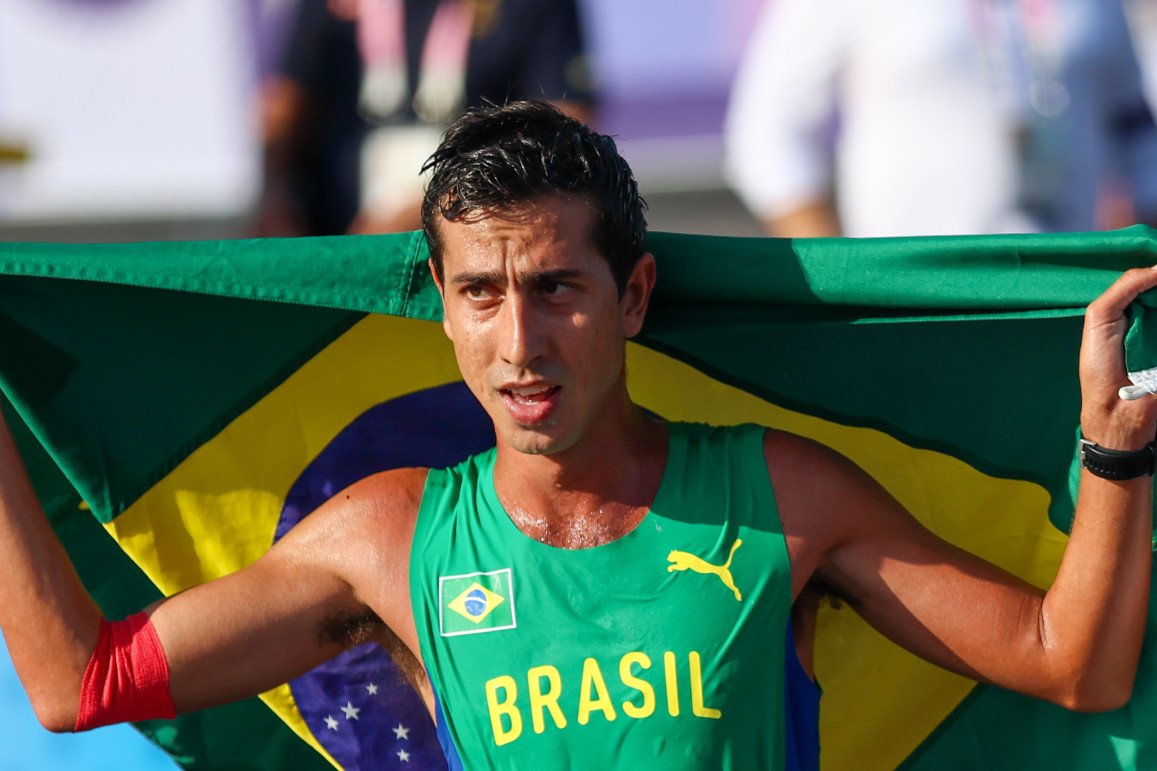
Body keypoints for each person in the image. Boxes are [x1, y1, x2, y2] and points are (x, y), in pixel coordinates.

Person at [0, 101, 1154, 769]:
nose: (518, 344)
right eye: (481, 296)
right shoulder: (383, 540)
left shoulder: (777, 495)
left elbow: (1070, 663)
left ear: (634, 297)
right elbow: (81, 683)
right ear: (442, 307)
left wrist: (1111, 453)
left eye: (557, 289)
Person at [724, 0, 1157, 238]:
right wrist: (836, 284)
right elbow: (768, 130)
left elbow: (1135, 128)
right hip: (914, 302)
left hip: (1071, 295)